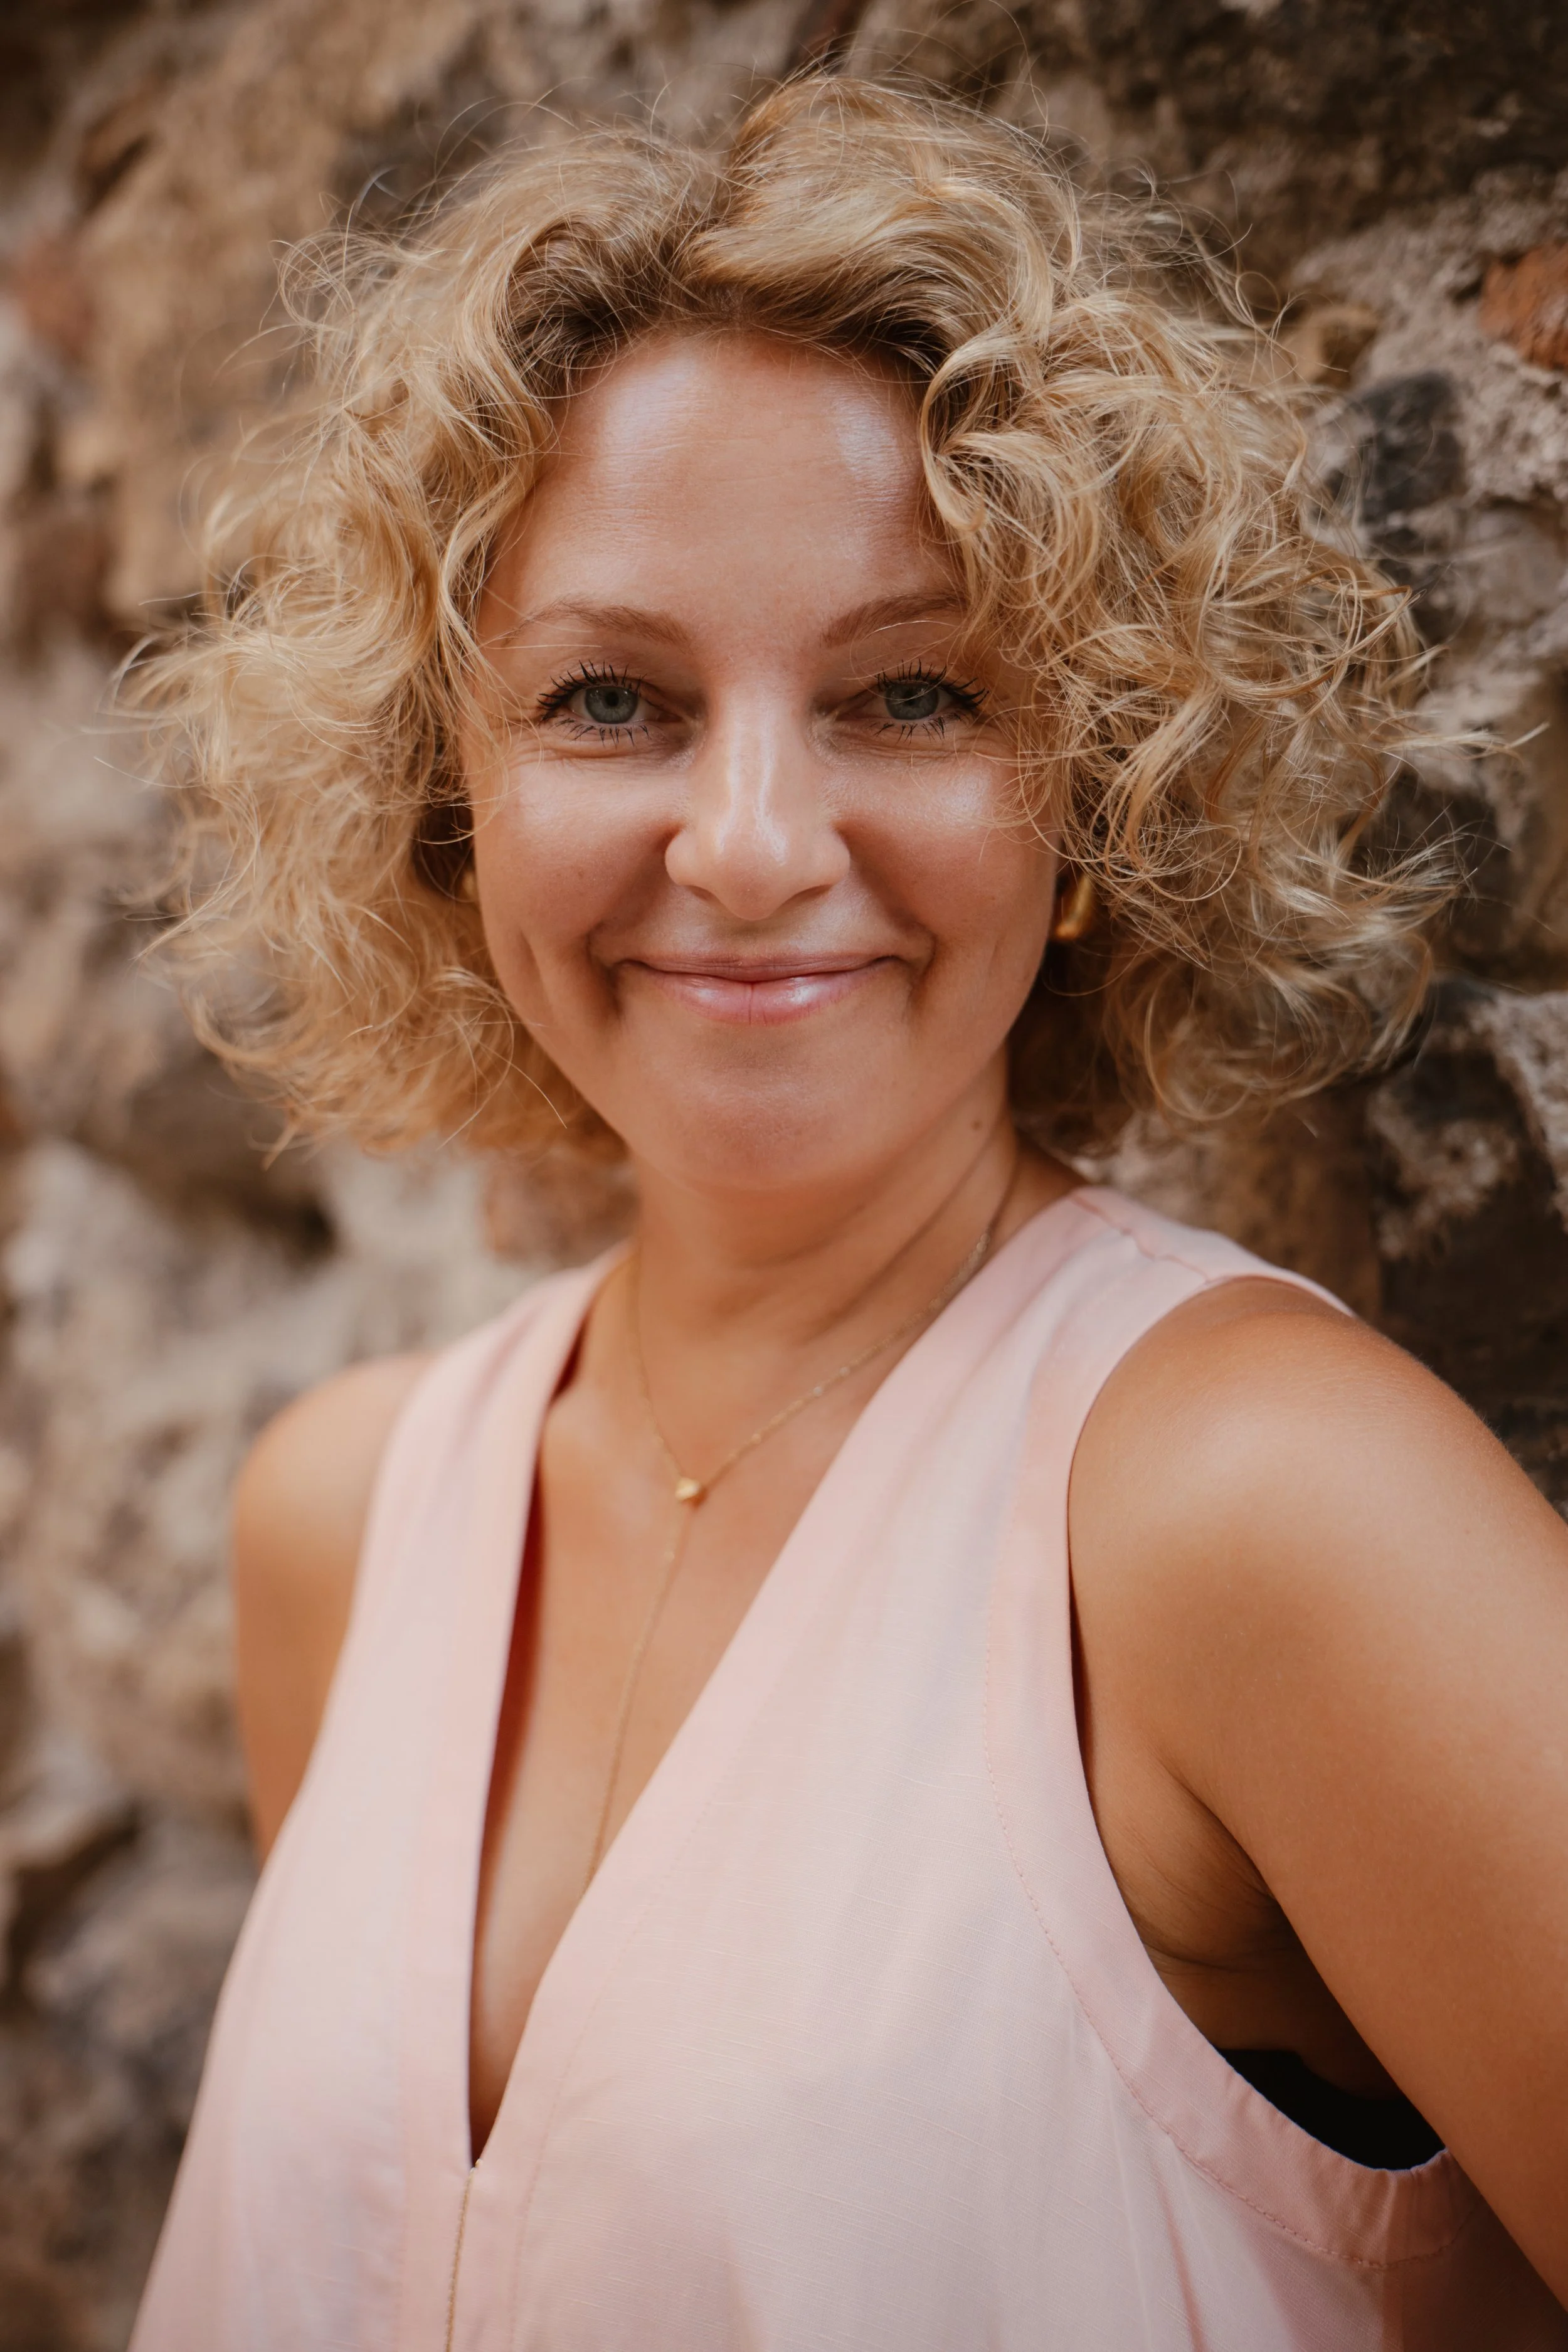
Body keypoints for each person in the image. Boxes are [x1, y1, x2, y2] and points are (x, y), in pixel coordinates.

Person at [129, 75, 1568, 2351]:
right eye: (610, 697)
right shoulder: (348, 1518)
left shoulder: (1254, 1505)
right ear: (450, 795)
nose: (751, 841)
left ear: (1091, 791)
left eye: (911, 691)